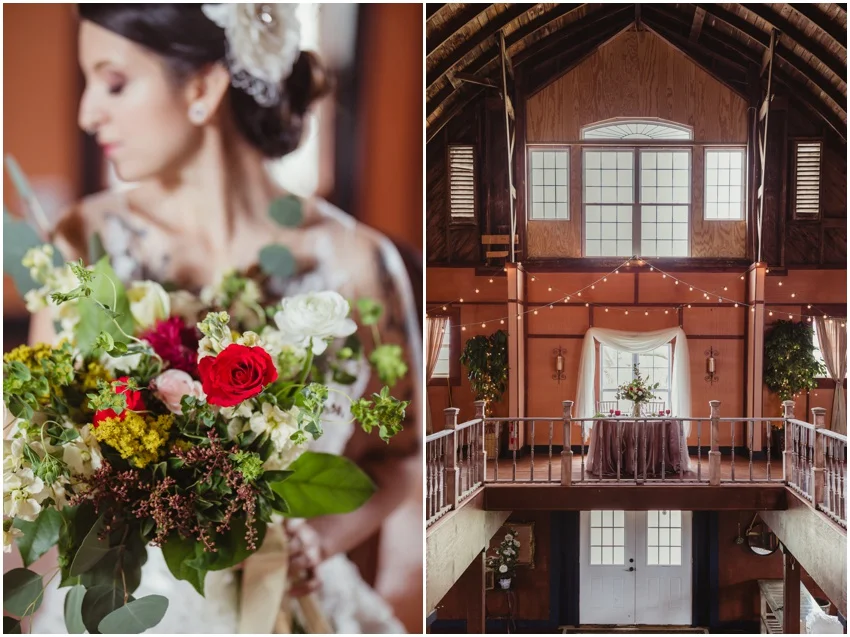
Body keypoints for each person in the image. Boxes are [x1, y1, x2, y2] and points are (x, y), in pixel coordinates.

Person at [28, 3, 421, 633]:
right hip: (123, 611)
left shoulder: (359, 263)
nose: (88, 112)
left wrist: (318, 538)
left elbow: (401, 459)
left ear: (204, 88)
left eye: (115, 81)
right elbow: (43, 462)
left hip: (292, 606)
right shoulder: (80, 246)